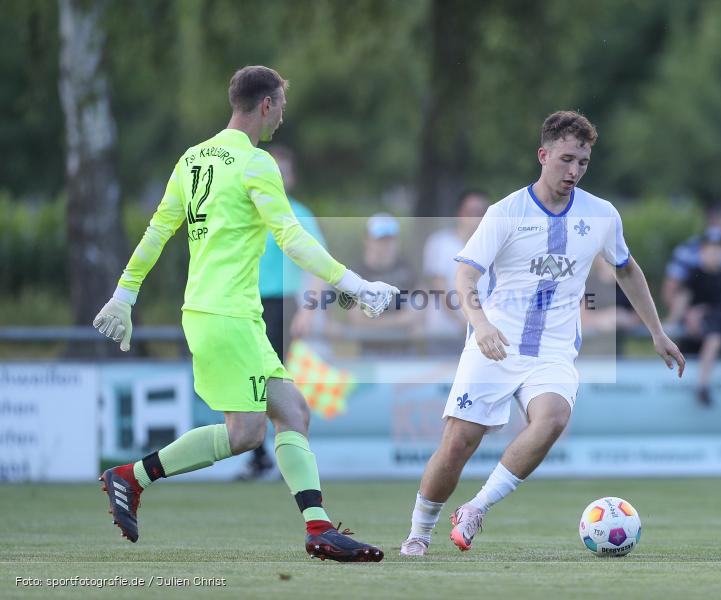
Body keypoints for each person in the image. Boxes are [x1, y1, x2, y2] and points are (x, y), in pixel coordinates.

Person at [92, 65, 398, 562]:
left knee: (293, 411)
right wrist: (356, 285)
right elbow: (293, 237)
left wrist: (125, 294)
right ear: (267, 105)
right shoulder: (256, 163)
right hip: (227, 316)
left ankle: (318, 528)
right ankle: (131, 476)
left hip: (225, 314)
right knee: (246, 433)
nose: (281, 117)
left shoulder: (192, 160)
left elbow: (157, 231)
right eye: (281, 107)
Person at [399, 111, 684, 556]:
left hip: (552, 350)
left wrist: (657, 332)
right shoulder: (506, 212)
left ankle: (475, 508)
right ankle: (419, 531)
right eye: (566, 159)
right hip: (494, 343)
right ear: (543, 155)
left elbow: (627, 269)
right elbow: (464, 279)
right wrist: (482, 324)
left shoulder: (602, 214)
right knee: (459, 443)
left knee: (552, 419)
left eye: (583, 162)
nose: (574, 171)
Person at [236, 145, 327, 481]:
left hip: (279, 305)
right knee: (249, 381)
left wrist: (308, 308)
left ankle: (283, 456)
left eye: (284, 171)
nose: (279, 176)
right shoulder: (248, 208)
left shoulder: (299, 213)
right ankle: (260, 455)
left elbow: (316, 263)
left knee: (271, 382)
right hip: (244, 303)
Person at [666, 229, 721, 406]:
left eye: (719, 250)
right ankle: (702, 385)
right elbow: (683, 298)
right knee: (714, 340)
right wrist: (673, 320)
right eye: (710, 250)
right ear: (701, 251)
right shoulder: (695, 274)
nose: (715, 254)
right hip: (707, 316)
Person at [663, 205, 721, 354]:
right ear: (717, 222)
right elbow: (672, 291)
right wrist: (687, 315)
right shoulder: (687, 251)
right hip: (692, 325)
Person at [422, 190, 490, 354]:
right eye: (471, 212)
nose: (476, 218)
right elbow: (439, 288)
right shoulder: (439, 242)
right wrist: (467, 323)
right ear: (460, 213)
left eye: (482, 213)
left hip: (482, 336)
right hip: (445, 335)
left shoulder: (492, 248)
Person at [347, 212, 420, 354]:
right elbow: (356, 320)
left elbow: (421, 306)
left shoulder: (406, 268)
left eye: (390, 239)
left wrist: (415, 320)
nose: (386, 244)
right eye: (380, 238)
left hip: (406, 351)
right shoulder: (356, 274)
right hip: (371, 352)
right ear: (367, 240)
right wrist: (401, 321)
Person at [580, 255, 639, 357]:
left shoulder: (625, 285)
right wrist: (608, 317)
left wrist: (624, 318)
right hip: (590, 353)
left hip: (617, 355)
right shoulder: (589, 284)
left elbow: (639, 316)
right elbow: (583, 318)